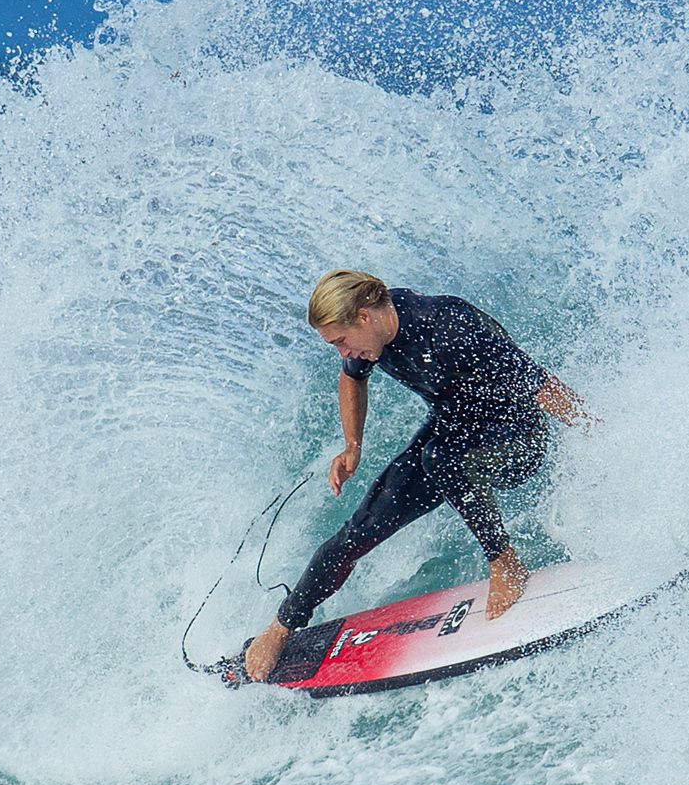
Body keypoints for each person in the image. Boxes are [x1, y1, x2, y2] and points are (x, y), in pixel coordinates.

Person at [243, 270, 589, 683]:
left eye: (340, 340)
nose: (343, 352)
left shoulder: (447, 324)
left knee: (440, 457)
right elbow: (350, 378)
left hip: (516, 438)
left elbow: (540, 386)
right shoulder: (371, 337)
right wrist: (352, 446)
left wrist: (605, 437)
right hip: (452, 431)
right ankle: (282, 626)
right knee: (361, 528)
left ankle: (506, 564)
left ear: (365, 317)